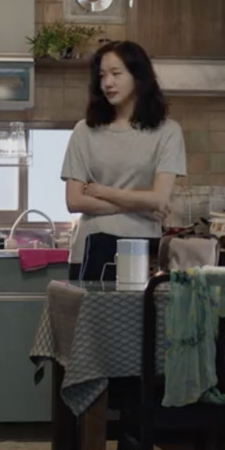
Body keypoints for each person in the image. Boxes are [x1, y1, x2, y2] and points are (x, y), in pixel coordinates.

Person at [62, 40, 187, 279]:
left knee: (141, 317)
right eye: (102, 76)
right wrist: (142, 207)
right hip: (88, 251)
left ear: (138, 77)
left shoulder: (168, 132)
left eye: (116, 73)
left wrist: (101, 191)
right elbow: (74, 201)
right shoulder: (84, 131)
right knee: (90, 318)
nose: (108, 82)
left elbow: (159, 199)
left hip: (143, 251)